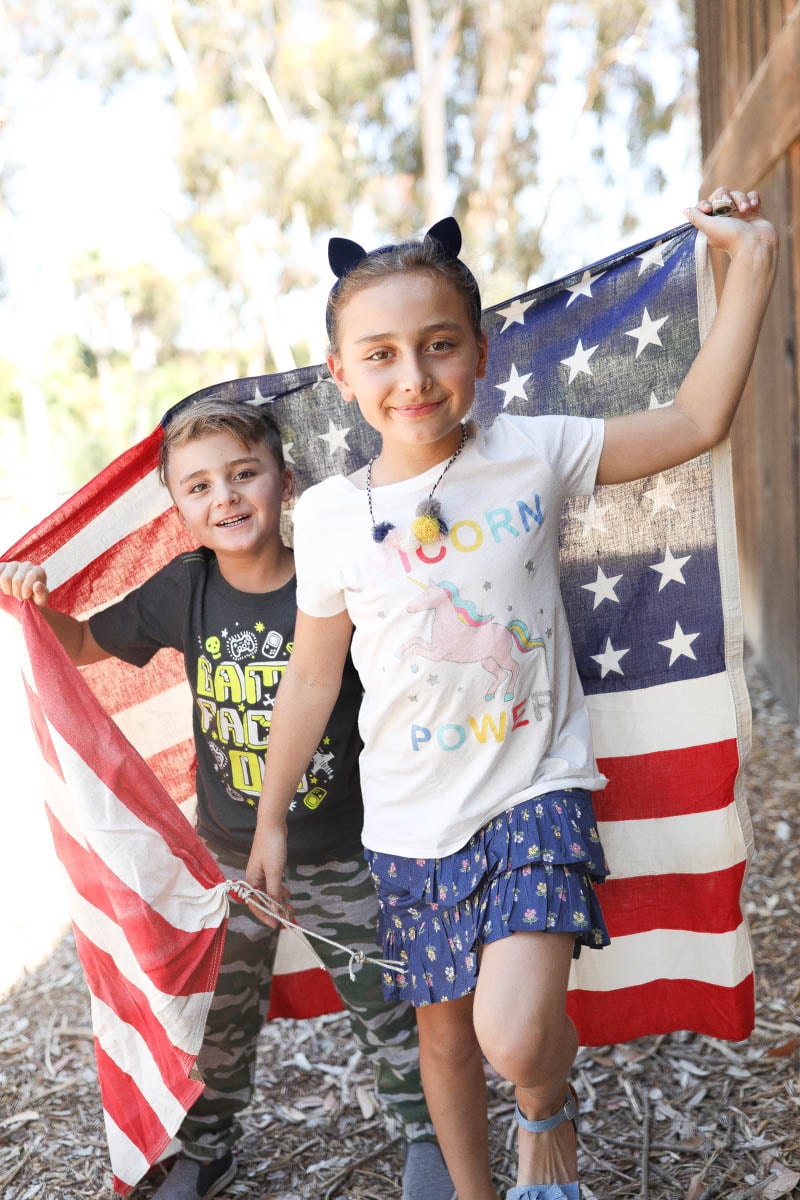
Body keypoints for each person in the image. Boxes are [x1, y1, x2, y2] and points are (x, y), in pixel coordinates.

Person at [244, 189, 778, 1200]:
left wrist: (748, 262)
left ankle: (546, 1109)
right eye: (381, 354)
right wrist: (271, 817)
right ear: (341, 375)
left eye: (438, 345)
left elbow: (695, 419)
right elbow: (313, 675)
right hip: (408, 823)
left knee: (511, 1032)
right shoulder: (322, 519)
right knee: (443, 1038)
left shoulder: (533, 451)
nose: (413, 374)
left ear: (479, 352)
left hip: (532, 791)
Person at [0, 398, 456, 1200]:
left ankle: (429, 1132)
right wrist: (37, 601)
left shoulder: (331, 576)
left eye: (245, 475)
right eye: (200, 486)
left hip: (345, 850)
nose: (227, 498)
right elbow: (79, 645)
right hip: (227, 859)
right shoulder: (187, 588)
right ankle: (208, 1147)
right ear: (176, 508)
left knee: (387, 1001)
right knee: (218, 1018)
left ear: (284, 481)